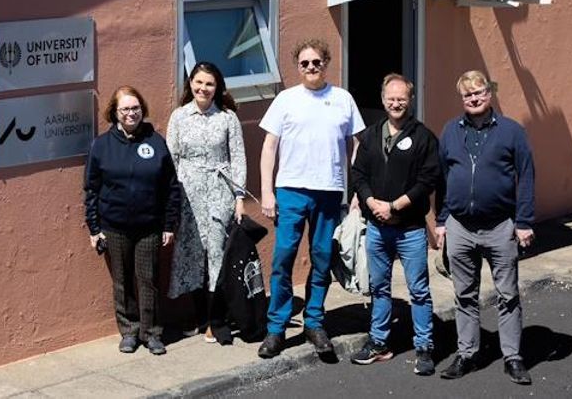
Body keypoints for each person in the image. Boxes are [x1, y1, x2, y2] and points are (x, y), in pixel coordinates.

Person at [256, 40, 364, 359]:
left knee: (321, 258)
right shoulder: (286, 99)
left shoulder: (342, 99)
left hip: (329, 191)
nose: (311, 67)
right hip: (290, 189)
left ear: (326, 63)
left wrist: (355, 191)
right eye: (304, 63)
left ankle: (314, 322)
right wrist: (266, 191)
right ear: (297, 67)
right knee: (283, 258)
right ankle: (276, 329)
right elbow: (269, 147)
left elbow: (354, 147)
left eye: (316, 62)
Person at [434, 70, 536, 385]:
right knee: (464, 294)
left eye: (479, 93)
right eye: (468, 95)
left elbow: (527, 176)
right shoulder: (451, 131)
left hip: (500, 226)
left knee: (507, 294)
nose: (474, 98)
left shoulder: (511, 132)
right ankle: (467, 353)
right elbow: (442, 178)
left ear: (489, 94)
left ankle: (513, 356)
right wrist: (441, 221)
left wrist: (524, 221)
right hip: (460, 226)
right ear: (462, 99)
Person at [348, 74, 441, 375]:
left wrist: (396, 205)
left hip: (410, 229)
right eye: (391, 98)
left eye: (402, 98)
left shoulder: (424, 137)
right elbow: (358, 174)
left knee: (419, 291)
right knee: (379, 288)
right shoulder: (372, 135)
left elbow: (429, 179)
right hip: (376, 228)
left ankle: (425, 347)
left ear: (410, 100)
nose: (396, 102)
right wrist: (371, 202)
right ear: (383, 99)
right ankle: (379, 342)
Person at [84, 86, 181, 356]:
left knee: (147, 280)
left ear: (142, 110)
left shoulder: (155, 141)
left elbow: (171, 187)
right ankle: (129, 331)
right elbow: (91, 189)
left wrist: (169, 224)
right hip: (114, 227)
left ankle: (151, 333)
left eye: (135, 108)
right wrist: (94, 228)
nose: (131, 113)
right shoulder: (101, 146)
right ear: (115, 113)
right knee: (122, 281)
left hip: (149, 226)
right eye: (125, 109)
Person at [167, 62, 248, 344]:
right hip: (188, 195)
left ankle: (217, 319)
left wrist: (239, 198)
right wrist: (172, 201)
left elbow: (238, 158)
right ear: (190, 83)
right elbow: (172, 157)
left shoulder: (227, 118)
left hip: (219, 193)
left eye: (209, 84)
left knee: (216, 254)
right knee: (192, 255)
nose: (203, 88)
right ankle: (200, 318)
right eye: (198, 82)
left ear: (218, 88)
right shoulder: (178, 117)